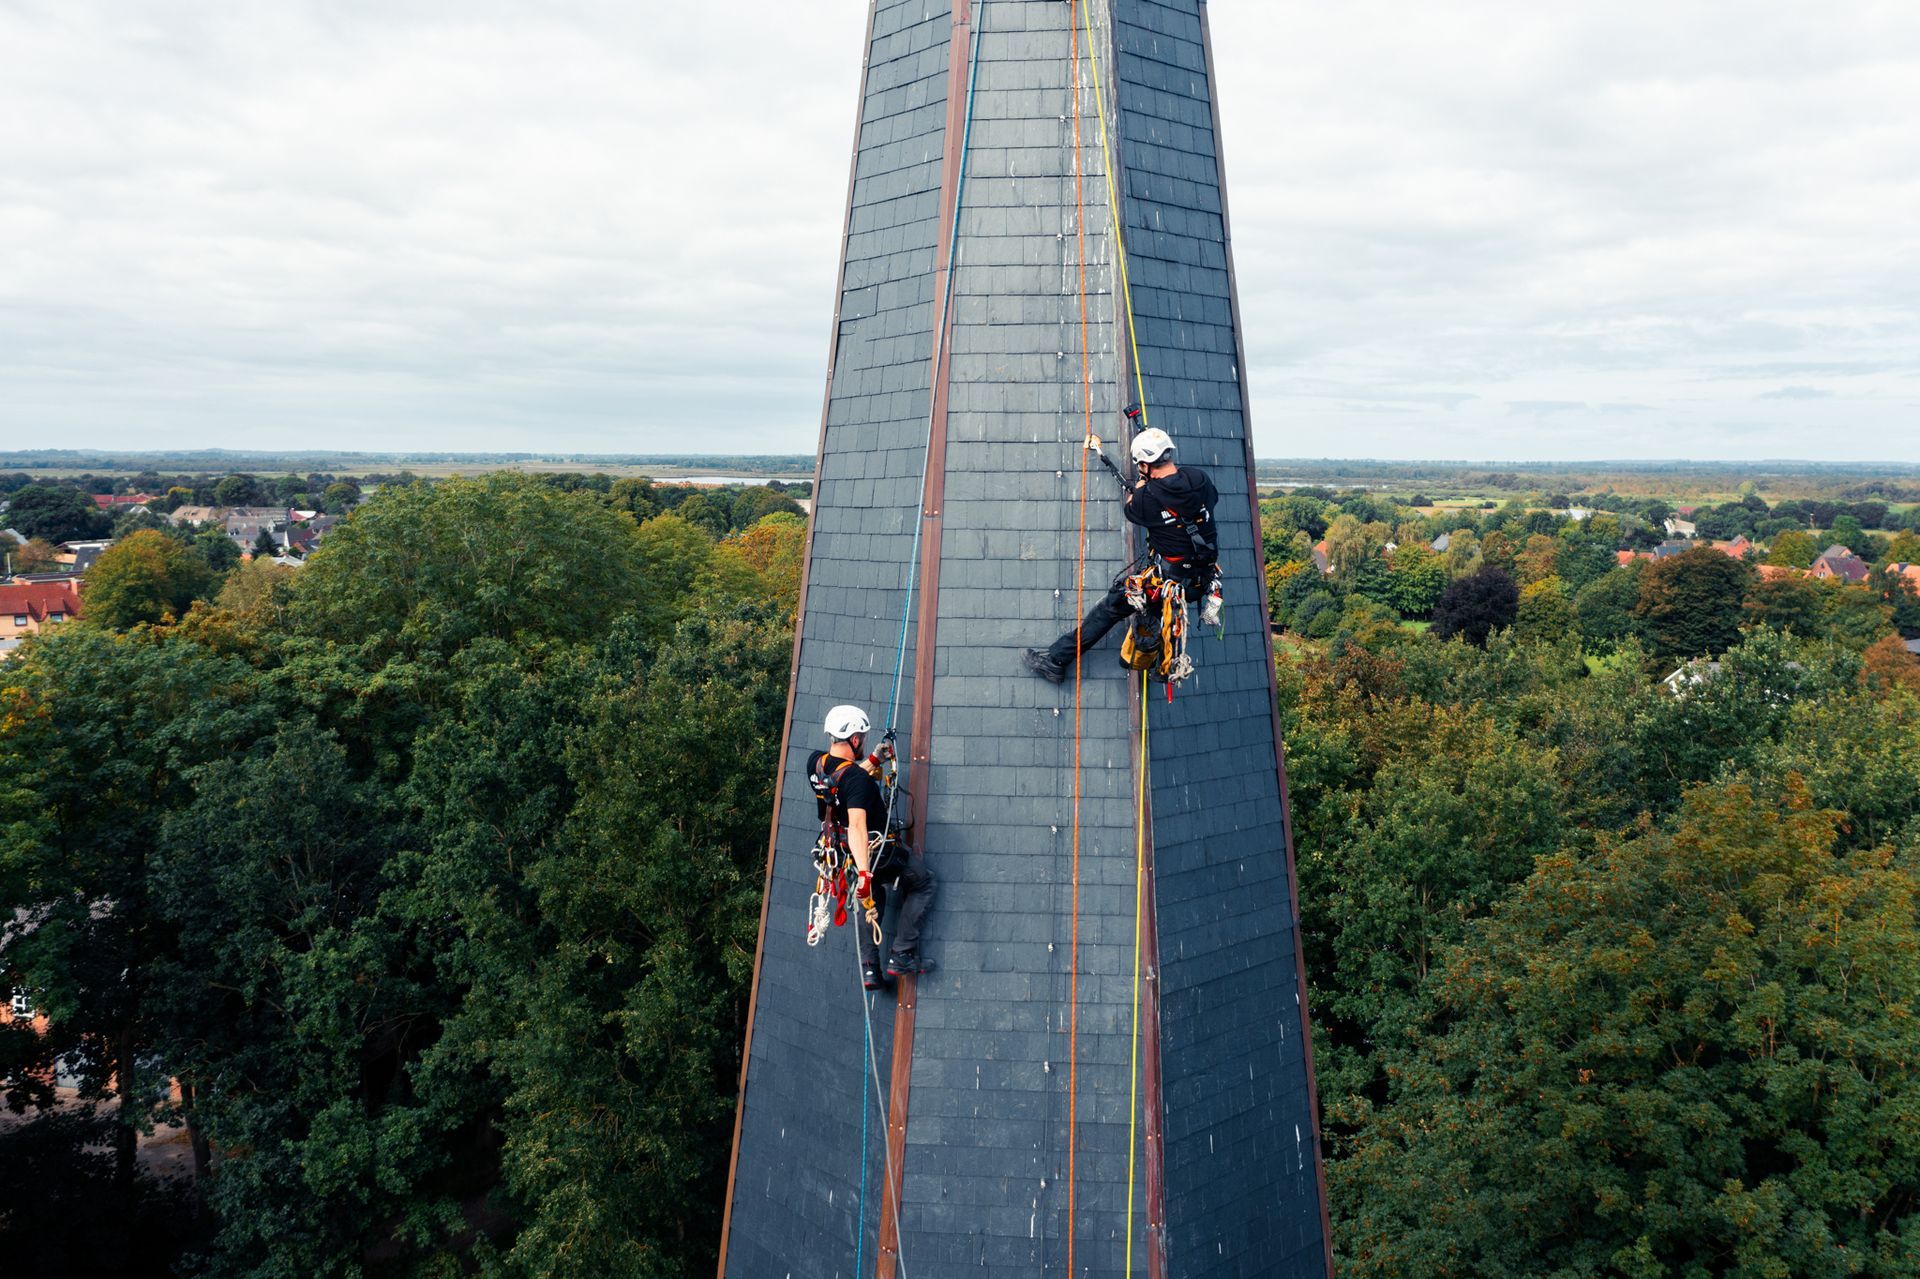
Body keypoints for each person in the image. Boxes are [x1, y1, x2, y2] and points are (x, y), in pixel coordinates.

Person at [1024, 427, 1220, 683]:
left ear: (1145, 465)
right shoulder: (1200, 479)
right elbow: (1199, 501)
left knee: (1110, 608)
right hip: (1198, 582)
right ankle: (1161, 662)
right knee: (1157, 613)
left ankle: (1055, 660)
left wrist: (1139, 489)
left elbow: (1132, 510)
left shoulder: (1146, 498)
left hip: (1166, 585)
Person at [807, 704, 936, 990]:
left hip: (839, 852)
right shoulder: (856, 779)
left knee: (871, 898)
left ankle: (869, 969)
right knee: (923, 883)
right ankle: (902, 953)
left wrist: (874, 760)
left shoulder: (815, 763)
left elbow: (846, 780)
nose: (864, 742)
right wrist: (864, 874)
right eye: (862, 738)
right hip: (874, 853)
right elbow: (857, 825)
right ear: (854, 740)